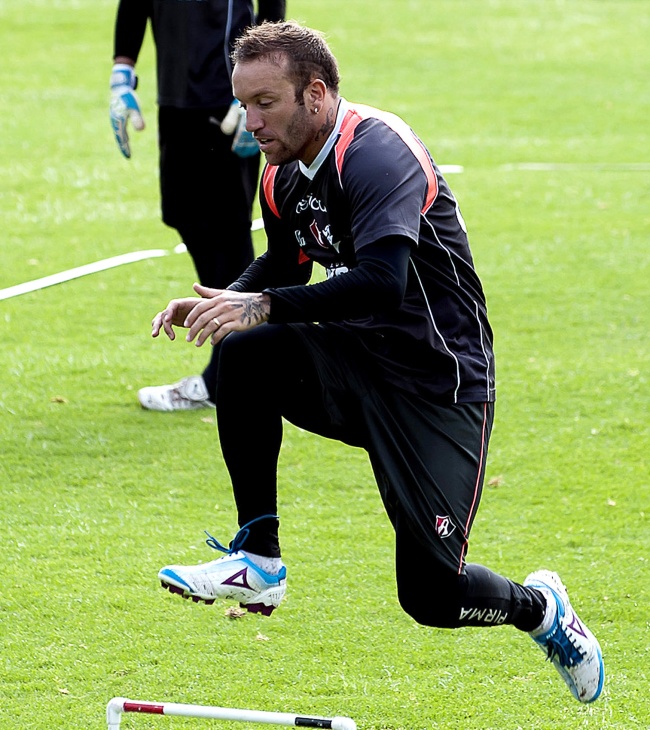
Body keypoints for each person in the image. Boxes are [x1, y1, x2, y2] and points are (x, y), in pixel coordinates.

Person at [150, 22, 604, 703]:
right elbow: (286, 262)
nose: (251, 121)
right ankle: (258, 558)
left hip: (439, 383)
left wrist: (265, 304)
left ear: (316, 93)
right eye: (244, 103)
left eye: (266, 102)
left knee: (431, 595)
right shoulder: (281, 174)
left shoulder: (377, 154)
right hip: (358, 359)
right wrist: (231, 300)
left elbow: (384, 281)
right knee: (243, 355)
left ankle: (541, 610)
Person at [109, 0, 286, 411]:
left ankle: (229, 374)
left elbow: (271, 4)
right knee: (184, 215)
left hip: (225, 96)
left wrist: (260, 94)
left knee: (227, 231)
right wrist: (122, 71)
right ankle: (239, 356)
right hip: (175, 94)